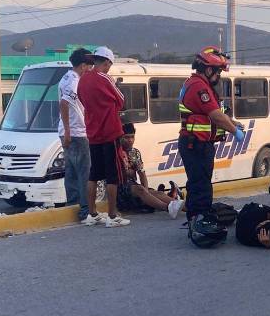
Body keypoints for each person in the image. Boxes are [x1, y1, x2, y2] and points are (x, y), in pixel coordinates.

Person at [178, 46, 243, 241]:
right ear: (208, 69)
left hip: (196, 143)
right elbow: (214, 115)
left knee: (197, 182)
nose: (219, 76)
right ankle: (201, 221)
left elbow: (212, 113)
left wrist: (232, 122)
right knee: (201, 185)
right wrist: (235, 131)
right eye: (218, 71)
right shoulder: (199, 87)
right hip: (196, 144)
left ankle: (194, 219)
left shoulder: (194, 82)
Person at [77, 46, 130, 228]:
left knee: (94, 175)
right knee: (112, 176)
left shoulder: (82, 79)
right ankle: (112, 216)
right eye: (109, 64)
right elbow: (121, 100)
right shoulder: (105, 78)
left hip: (93, 133)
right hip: (110, 132)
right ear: (106, 62)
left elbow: (82, 101)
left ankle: (92, 214)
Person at [58, 48, 94, 221]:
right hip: (76, 133)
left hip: (68, 132)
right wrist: (68, 131)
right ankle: (85, 211)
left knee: (71, 172)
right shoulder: (75, 82)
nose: (91, 69)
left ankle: (72, 205)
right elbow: (64, 103)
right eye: (89, 66)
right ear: (82, 65)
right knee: (84, 172)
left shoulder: (66, 77)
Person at [117, 128, 184, 218]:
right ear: (120, 138)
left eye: (132, 137)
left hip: (133, 186)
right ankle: (169, 208)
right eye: (126, 137)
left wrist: (146, 191)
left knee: (157, 193)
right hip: (119, 188)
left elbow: (141, 173)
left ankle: (191, 208)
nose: (130, 140)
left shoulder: (135, 152)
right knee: (140, 189)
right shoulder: (116, 152)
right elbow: (121, 174)